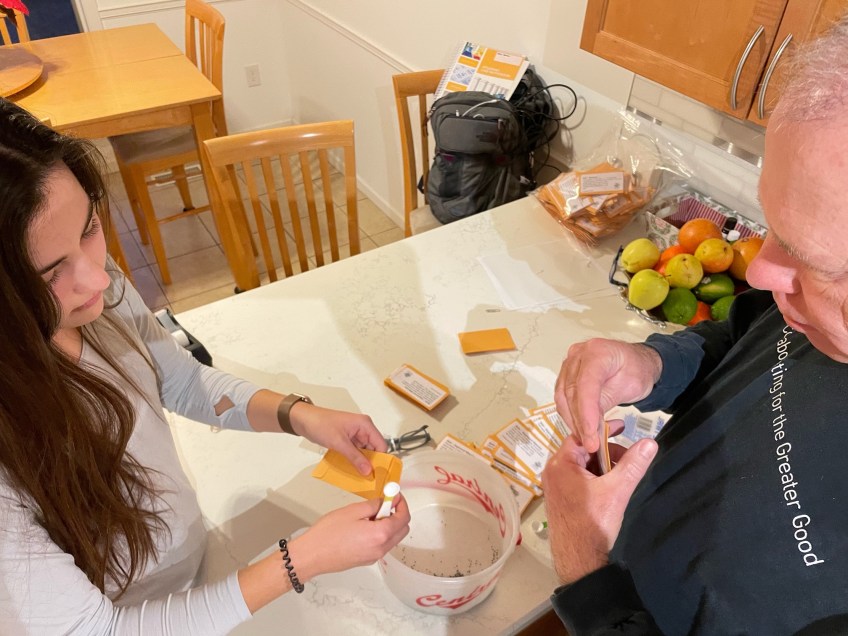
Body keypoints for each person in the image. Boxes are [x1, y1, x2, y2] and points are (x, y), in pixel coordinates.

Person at [0, 98, 410, 634]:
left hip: (194, 575)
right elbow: (98, 629)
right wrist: (301, 559)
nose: (97, 279)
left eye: (90, 227)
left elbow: (182, 379)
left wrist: (300, 416)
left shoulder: (101, 296)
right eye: (52, 273)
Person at [541, 15, 848, 636]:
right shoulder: (813, 317)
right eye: (772, 231)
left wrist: (585, 564)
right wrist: (655, 364)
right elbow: (749, 336)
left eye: (806, 258)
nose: (758, 270)